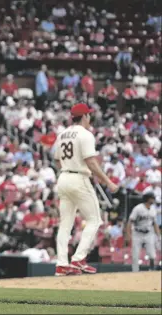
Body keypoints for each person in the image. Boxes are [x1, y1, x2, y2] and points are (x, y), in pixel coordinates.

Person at [53, 103, 119, 276]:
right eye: (88, 115)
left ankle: (61, 264)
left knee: (65, 224)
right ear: (84, 116)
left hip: (63, 177)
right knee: (94, 220)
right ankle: (78, 259)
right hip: (79, 178)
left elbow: (56, 160)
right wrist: (108, 182)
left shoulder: (62, 134)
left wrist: (69, 166)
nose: (90, 118)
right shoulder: (85, 134)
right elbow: (91, 162)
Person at [126, 192, 160, 272]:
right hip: (137, 233)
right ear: (148, 199)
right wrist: (128, 234)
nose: (153, 200)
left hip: (149, 233)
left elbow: (155, 223)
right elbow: (130, 221)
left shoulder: (153, 209)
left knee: (152, 254)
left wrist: (158, 235)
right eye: (152, 198)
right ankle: (135, 271)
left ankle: (151, 269)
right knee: (135, 254)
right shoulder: (138, 208)